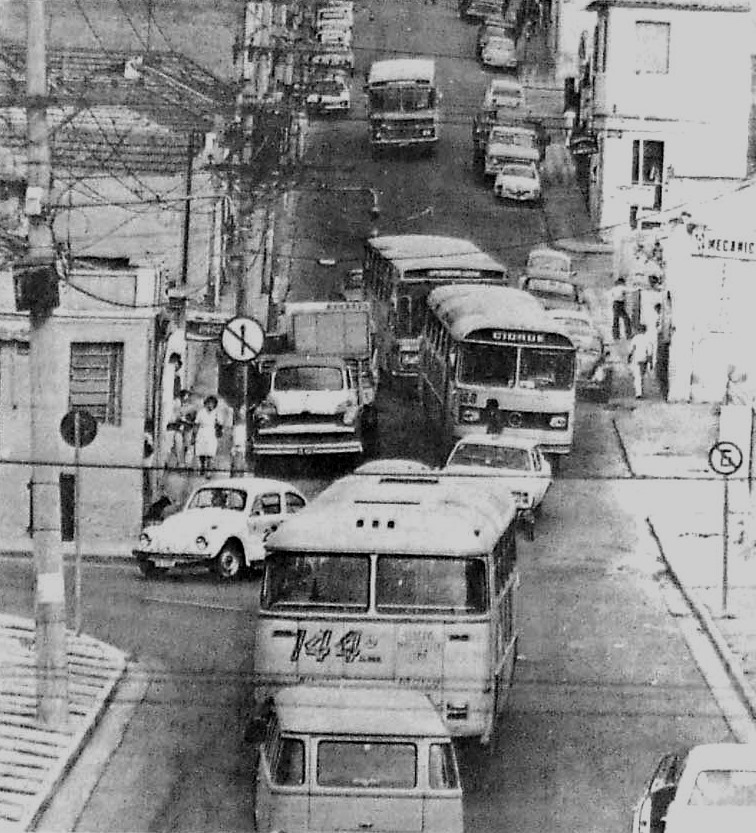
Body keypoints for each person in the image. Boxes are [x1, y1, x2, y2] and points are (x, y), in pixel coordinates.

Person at [195, 395, 222, 476]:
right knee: (202, 452)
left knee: (210, 452)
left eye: (212, 403)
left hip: (211, 432)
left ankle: (208, 470)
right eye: (209, 403)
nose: (210, 405)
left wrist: (218, 424)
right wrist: (194, 435)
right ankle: (202, 466)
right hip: (202, 432)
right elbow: (197, 423)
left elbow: (220, 424)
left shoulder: (216, 413)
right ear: (206, 403)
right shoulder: (201, 412)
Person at [628, 324, 652, 399]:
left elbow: (631, 349)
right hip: (644, 359)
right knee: (642, 375)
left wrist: (629, 357)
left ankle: (638, 393)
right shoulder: (647, 339)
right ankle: (641, 391)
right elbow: (650, 351)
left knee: (637, 376)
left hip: (636, 358)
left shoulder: (635, 338)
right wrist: (650, 362)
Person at [610, 277, 633, 341]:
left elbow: (611, 296)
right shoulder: (623, 288)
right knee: (626, 319)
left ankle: (616, 336)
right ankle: (628, 334)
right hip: (620, 303)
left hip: (615, 304)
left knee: (616, 320)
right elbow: (629, 293)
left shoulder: (614, 288)